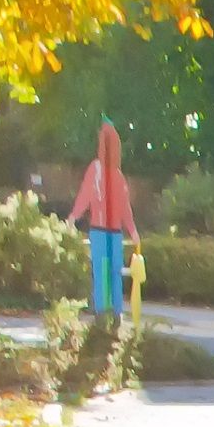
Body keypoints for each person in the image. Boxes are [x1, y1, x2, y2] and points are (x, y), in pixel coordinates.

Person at [66, 121, 138, 316]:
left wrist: (73, 216)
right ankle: (112, 314)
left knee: (105, 272)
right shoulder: (113, 174)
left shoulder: (102, 171)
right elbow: (123, 207)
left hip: (103, 231)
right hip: (111, 232)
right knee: (111, 272)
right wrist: (132, 231)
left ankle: (106, 314)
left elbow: (87, 196)